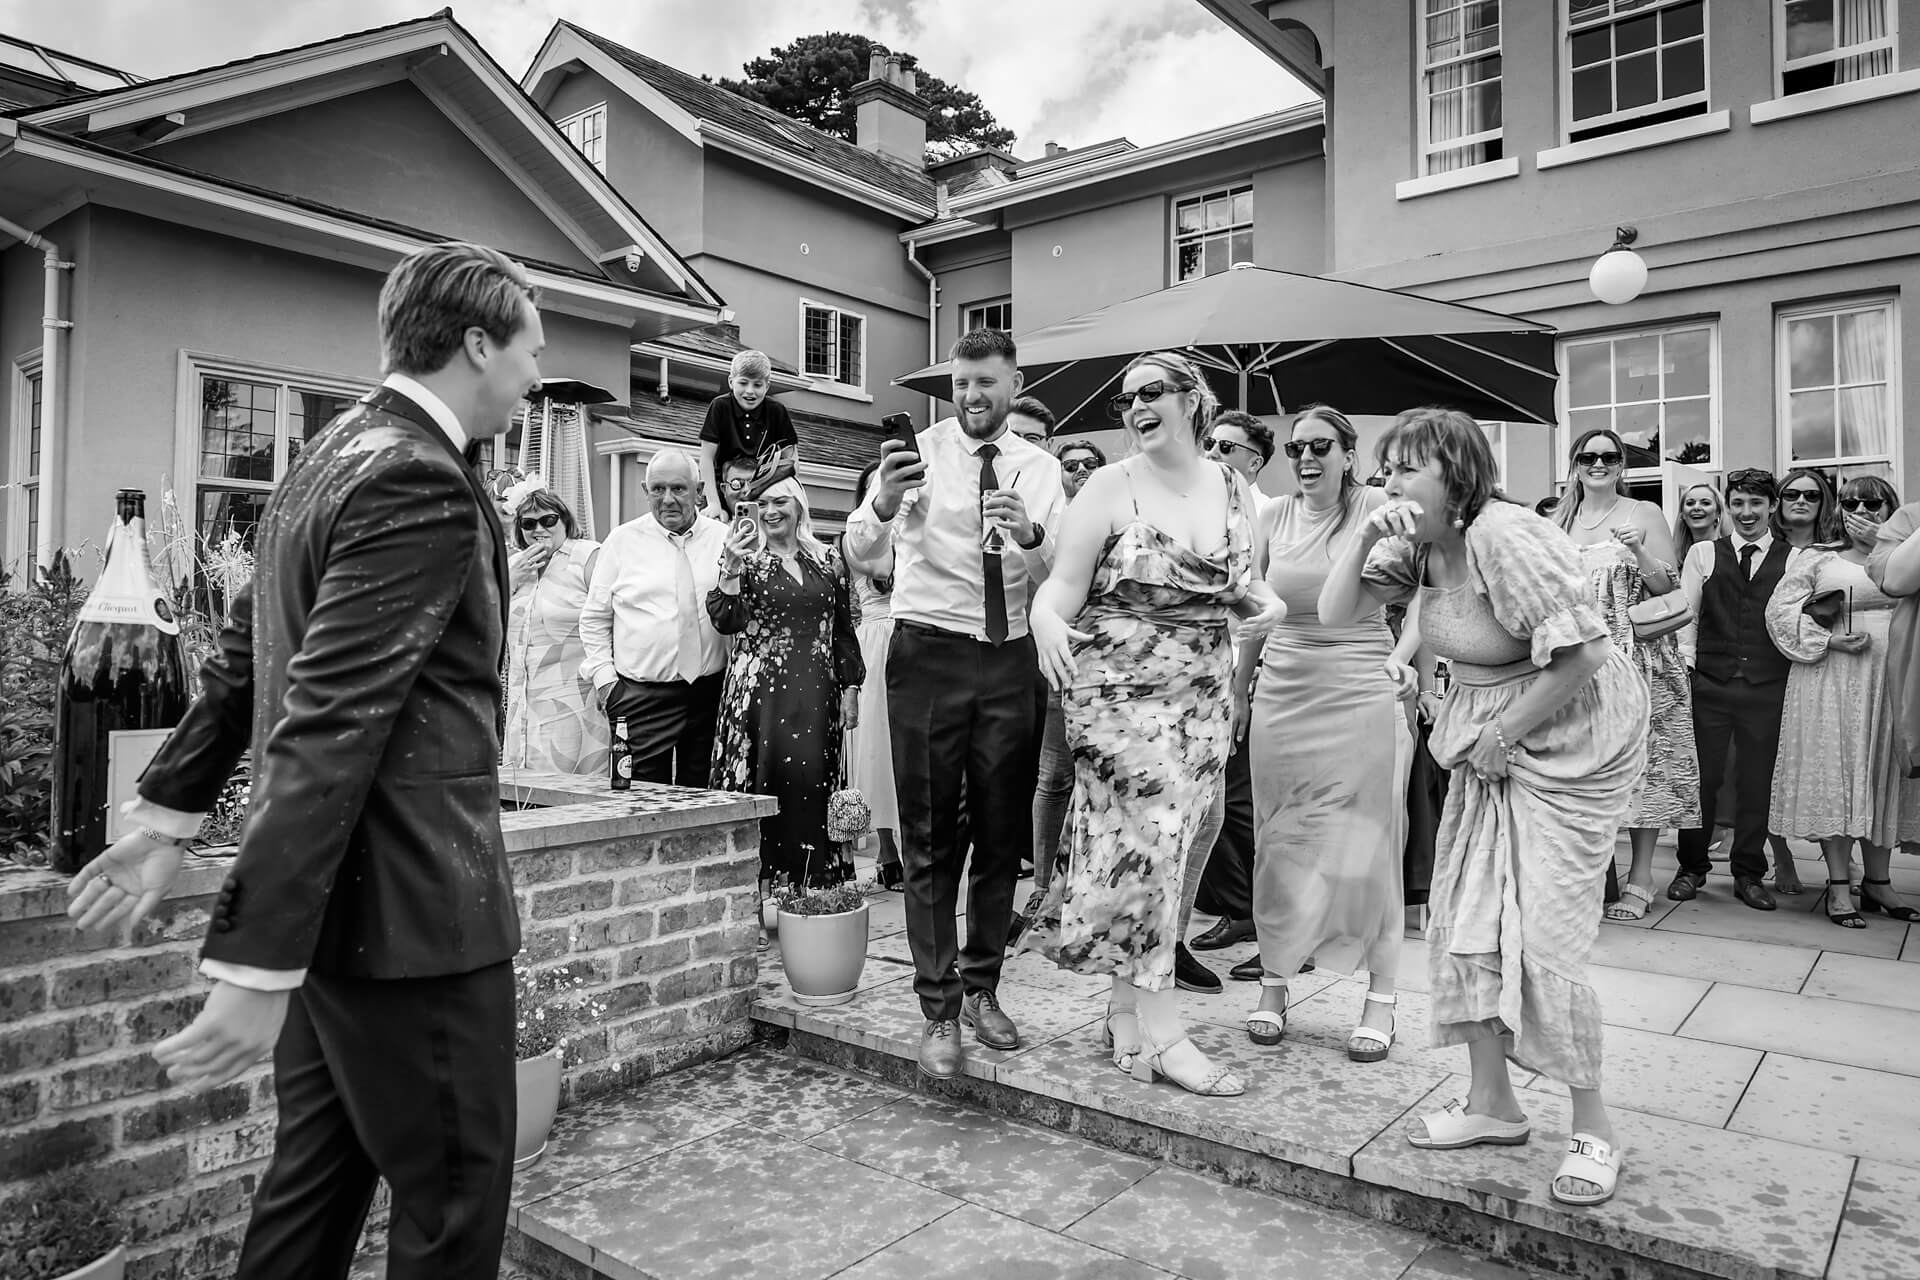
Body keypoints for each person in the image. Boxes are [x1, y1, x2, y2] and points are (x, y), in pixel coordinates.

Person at [67, 241, 543, 1276]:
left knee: (314, 1189)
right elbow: (327, 721)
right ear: (477, 343)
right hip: (417, 920)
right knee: (455, 1207)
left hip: (336, 933)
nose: (534, 374)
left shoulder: (329, 455)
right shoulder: (417, 476)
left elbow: (246, 657)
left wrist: (168, 818)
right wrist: (252, 958)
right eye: (529, 349)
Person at [1320, 407, 1647, 1208]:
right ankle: (1493, 1105)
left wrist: (1505, 733)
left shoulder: (1506, 535)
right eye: (1387, 468)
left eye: (1408, 467)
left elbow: (1584, 652)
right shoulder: (1415, 542)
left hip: (1569, 738)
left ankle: (1594, 1128)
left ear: (1458, 473)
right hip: (1487, 734)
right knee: (1466, 915)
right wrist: (1361, 537)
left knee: (1546, 932)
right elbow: (1333, 613)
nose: (1390, 482)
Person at [1028, 350, 1284, 1098]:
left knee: (1151, 857)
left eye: (1151, 392)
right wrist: (1044, 623)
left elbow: (1247, 586)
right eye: (1126, 398)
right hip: (1116, 696)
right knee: (1154, 846)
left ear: (1192, 399)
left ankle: (1123, 1015)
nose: (1136, 406)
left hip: (1202, 697)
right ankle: (1167, 1033)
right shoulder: (1108, 486)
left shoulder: (1234, 488)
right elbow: (1060, 589)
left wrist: (1270, 605)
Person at [843, 329, 1066, 1080]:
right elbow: (862, 554)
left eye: (986, 383)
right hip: (929, 653)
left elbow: (1063, 575)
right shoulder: (919, 454)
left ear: (1014, 383)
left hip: (1010, 658)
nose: (971, 396)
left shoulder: (1042, 469)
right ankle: (938, 1007)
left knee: (1002, 836)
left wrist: (1032, 535)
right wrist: (882, 503)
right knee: (932, 834)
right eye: (962, 383)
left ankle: (983, 989)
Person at [1237, 404, 1409, 1060]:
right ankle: (1275, 982)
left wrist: (1406, 660)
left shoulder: (1378, 507)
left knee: (1369, 843)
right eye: (1296, 447)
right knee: (1279, 840)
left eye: (1320, 447)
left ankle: (1381, 996)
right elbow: (1254, 607)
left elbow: (1429, 591)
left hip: (1360, 687)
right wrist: (1239, 691)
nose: (1306, 458)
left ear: (1348, 453)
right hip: (1283, 692)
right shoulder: (1272, 516)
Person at [1550, 430, 1700, 923]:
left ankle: (1641, 877)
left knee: (1643, 768)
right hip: (1576, 663)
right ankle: (1590, 876)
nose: (1598, 464)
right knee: (1582, 772)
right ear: (1574, 464)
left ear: (1621, 466)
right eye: (1588, 457)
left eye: (1609, 457)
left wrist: (1639, 553)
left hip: (1637, 660)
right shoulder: (1558, 520)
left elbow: (1669, 591)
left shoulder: (1643, 513)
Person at [1768, 476, 1919, 925]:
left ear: (1890, 508)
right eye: (1851, 503)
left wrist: (1886, 543)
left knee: (1882, 772)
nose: (1861, 511)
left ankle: (1878, 882)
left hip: (1893, 672)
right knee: (1838, 770)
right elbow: (1779, 612)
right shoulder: (1819, 556)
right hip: (1829, 676)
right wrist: (1827, 641)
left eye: (1873, 503)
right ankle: (1837, 884)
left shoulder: (1907, 556)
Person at [709, 477, 864, 888]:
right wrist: (730, 566)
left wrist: (851, 688)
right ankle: (756, 893)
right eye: (761, 504)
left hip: (818, 694)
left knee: (813, 783)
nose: (770, 511)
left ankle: (813, 889)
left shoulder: (828, 559)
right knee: (764, 785)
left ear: (799, 506)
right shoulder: (745, 560)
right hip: (759, 697)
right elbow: (725, 619)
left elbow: (843, 629)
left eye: (780, 501)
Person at [1673, 468, 1795, 911]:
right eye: (1738, 503)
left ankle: (1748, 873)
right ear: (1729, 506)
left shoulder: (1794, 558)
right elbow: (1686, 617)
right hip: (1711, 682)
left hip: (1767, 684)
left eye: (1756, 503)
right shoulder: (1704, 553)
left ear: (1772, 507)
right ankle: (1691, 867)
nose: (1746, 512)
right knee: (1702, 779)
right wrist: (1688, 672)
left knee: (1756, 781)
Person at [580, 449, 730, 786]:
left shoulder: (723, 540)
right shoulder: (621, 541)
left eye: (678, 489)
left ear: (699, 491)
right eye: (658, 489)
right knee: (641, 801)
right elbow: (594, 618)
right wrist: (606, 684)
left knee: (705, 799)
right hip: (640, 698)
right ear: (645, 492)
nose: (668, 499)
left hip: (710, 695)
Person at [1190, 409, 1274, 958]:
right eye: (1210, 444)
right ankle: (1237, 906)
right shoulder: (1200, 507)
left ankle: (1255, 914)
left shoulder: (1267, 514)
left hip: (1252, 671)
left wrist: (1245, 683)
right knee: (1212, 801)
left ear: (1254, 461)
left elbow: (1263, 599)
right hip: (1201, 672)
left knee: (1239, 803)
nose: (1214, 453)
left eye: (1227, 447)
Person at [1024, 438, 1106, 920]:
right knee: (1053, 776)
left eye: (1089, 463)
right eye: (1069, 465)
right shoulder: (1051, 519)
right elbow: (1047, 580)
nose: (1079, 471)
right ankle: (1041, 887)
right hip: (1064, 659)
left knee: (1100, 777)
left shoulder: (1120, 515)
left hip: (1110, 662)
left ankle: (1088, 888)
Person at [503, 482, 607, 778]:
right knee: (522, 792)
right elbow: (485, 618)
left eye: (548, 520)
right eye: (528, 523)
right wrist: (509, 579)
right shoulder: (515, 564)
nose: (539, 529)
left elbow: (610, 620)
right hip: (523, 707)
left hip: (576, 702)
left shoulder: (588, 556)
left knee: (573, 790)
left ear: (565, 519)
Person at [841, 463, 902, 890]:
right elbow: (883, 570)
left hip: (916, 636)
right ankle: (887, 850)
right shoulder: (856, 540)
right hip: (877, 640)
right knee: (877, 747)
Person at [699, 349, 799, 511]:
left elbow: (791, 461)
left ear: (767, 386)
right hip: (724, 492)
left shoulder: (776, 411)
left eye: (757, 385)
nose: (750, 391)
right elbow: (706, 458)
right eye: (743, 383)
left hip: (764, 493)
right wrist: (714, 503)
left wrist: (793, 498)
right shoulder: (720, 406)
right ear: (731, 382)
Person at [1672, 482, 1730, 565]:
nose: (1696, 507)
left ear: (1718, 512)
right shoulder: (1673, 557)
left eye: (1705, 503)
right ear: (1682, 514)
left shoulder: (1730, 553)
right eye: (1690, 503)